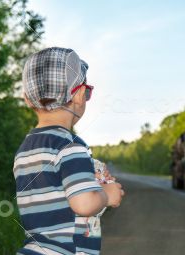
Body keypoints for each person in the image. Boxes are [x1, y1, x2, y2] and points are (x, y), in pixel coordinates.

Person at [13, 47, 124, 255]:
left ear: (27, 99)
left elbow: (56, 199)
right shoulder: (71, 146)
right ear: (80, 95)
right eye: (87, 92)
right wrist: (107, 196)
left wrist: (92, 183)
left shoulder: (24, 150)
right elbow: (83, 204)